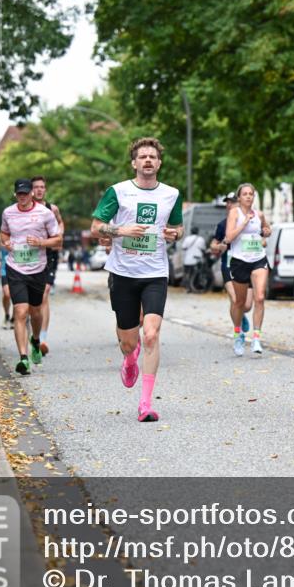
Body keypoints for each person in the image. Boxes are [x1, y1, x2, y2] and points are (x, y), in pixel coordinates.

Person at [90, 137, 183, 422]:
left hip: (155, 272)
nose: (147, 161)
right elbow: (96, 228)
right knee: (129, 342)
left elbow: (178, 227)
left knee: (152, 334)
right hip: (123, 273)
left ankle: (145, 404)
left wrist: (174, 234)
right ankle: (130, 359)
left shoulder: (171, 194)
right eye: (142, 157)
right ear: (134, 162)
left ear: (159, 163)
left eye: (152, 157)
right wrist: (122, 230)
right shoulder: (117, 192)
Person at [0, 178, 61, 375]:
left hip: (38, 268)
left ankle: (35, 340)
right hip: (15, 267)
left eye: (26, 193)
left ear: (32, 194)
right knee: (20, 312)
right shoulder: (8, 212)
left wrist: (41, 242)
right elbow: (4, 234)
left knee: (36, 312)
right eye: (20, 194)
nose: (23, 197)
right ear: (15, 194)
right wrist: (6, 243)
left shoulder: (45, 213)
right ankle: (23, 358)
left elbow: (58, 239)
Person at [224, 182, 271, 356]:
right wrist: (243, 224)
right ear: (239, 197)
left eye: (251, 193)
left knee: (259, 297)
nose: (249, 196)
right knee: (240, 302)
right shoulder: (234, 213)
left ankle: (257, 338)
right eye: (245, 194)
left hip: (258, 258)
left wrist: (266, 231)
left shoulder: (259, 214)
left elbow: (267, 229)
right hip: (239, 260)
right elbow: (228, 238)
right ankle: (238, 334)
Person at [210, 194, 252, 341]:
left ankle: (242, 314)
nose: (229, 205)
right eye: (227, 203)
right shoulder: (223, 224)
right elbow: (213, 245)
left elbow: (262, 240)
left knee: (246, 305)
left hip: (246, 264)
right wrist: (219, 246)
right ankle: (238, 330)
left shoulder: (250, 221)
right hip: (228, 264)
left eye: (232, 202)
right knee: (235, 300)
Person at [29, 175, 63, 355]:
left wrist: (59, 236)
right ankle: (34, 327)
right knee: (32, 300)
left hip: (49, 255)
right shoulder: (26, 209)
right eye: (36, 187)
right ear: (30, 190)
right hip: (31, 256)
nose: (40, 190)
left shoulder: (52, 208)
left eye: (42, 187)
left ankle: (42, 338)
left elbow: (60, 223)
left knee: (44, 294)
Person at [0, 245, 13, 328]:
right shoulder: (3, 237)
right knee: (7, 294)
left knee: (17, 295)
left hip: (19, 270)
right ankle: (7, 315)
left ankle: (14, 319)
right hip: (5, 270)